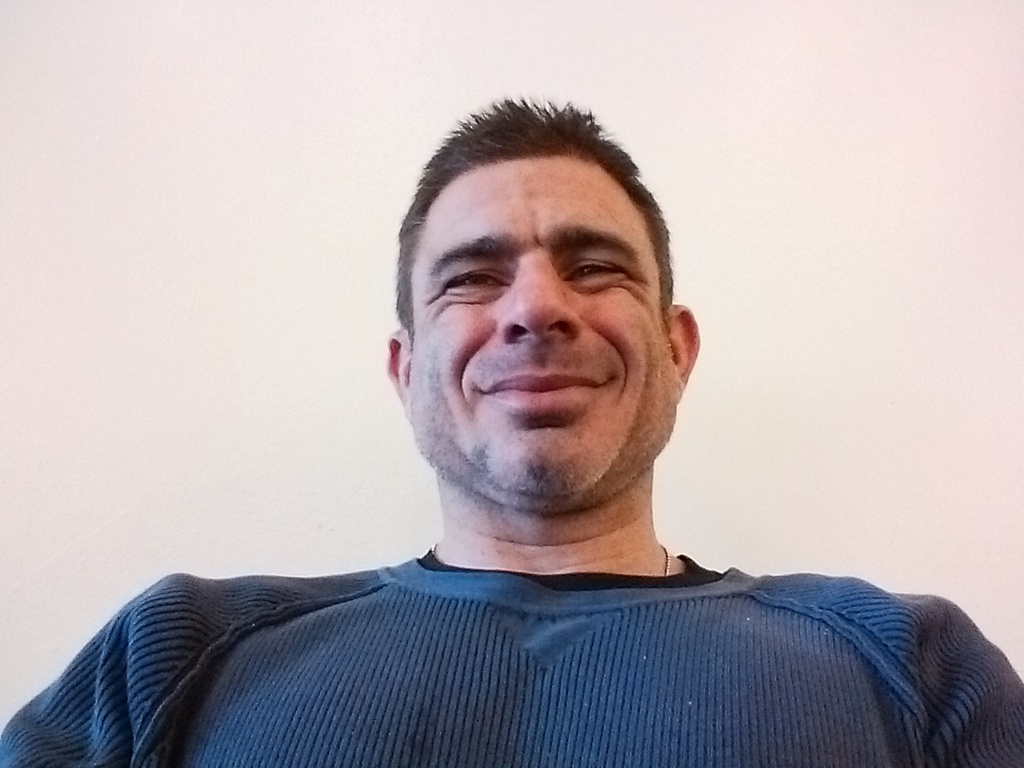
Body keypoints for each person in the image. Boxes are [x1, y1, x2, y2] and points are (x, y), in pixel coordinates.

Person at [2, 100, 1022, 768]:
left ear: (675, 348)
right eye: (473, 277)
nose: (536, 308)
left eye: (594, 267)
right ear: (405, 370)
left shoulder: (913, 663)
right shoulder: (176, 655)